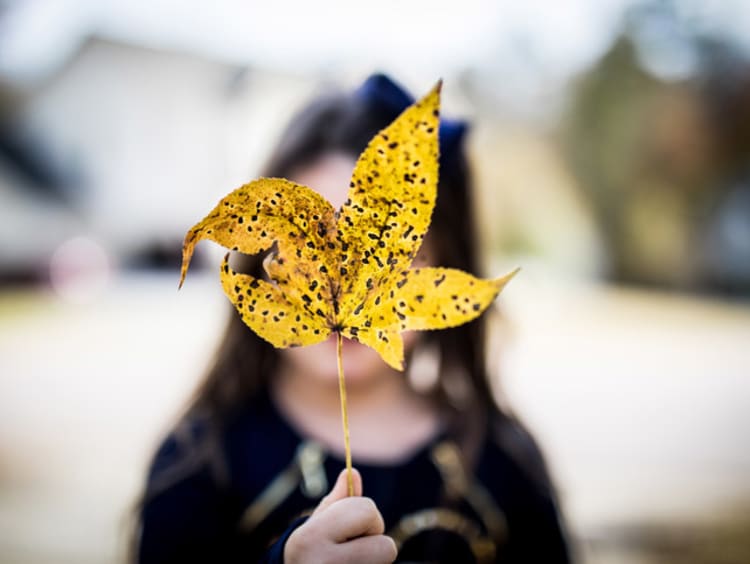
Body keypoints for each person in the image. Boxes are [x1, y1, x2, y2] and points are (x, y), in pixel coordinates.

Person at [133, 74, 571, 563]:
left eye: (388, 256)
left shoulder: (505, 466)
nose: (341, 282)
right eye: (313, 248)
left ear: (444, 265)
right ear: (259, 258)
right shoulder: (200, 464)